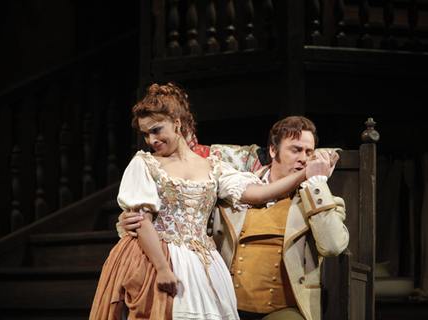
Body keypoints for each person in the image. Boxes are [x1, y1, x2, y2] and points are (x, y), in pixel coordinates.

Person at [90, 83, 335, 320]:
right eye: (145, 134)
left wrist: (308, 174)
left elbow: (260, 193)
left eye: (156, 130)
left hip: (202, 262)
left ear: (177, 123)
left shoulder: (213, 166)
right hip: (155, 255)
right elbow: (141, 220)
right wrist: (162, 266)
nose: (151, 140)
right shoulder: (144, 163)